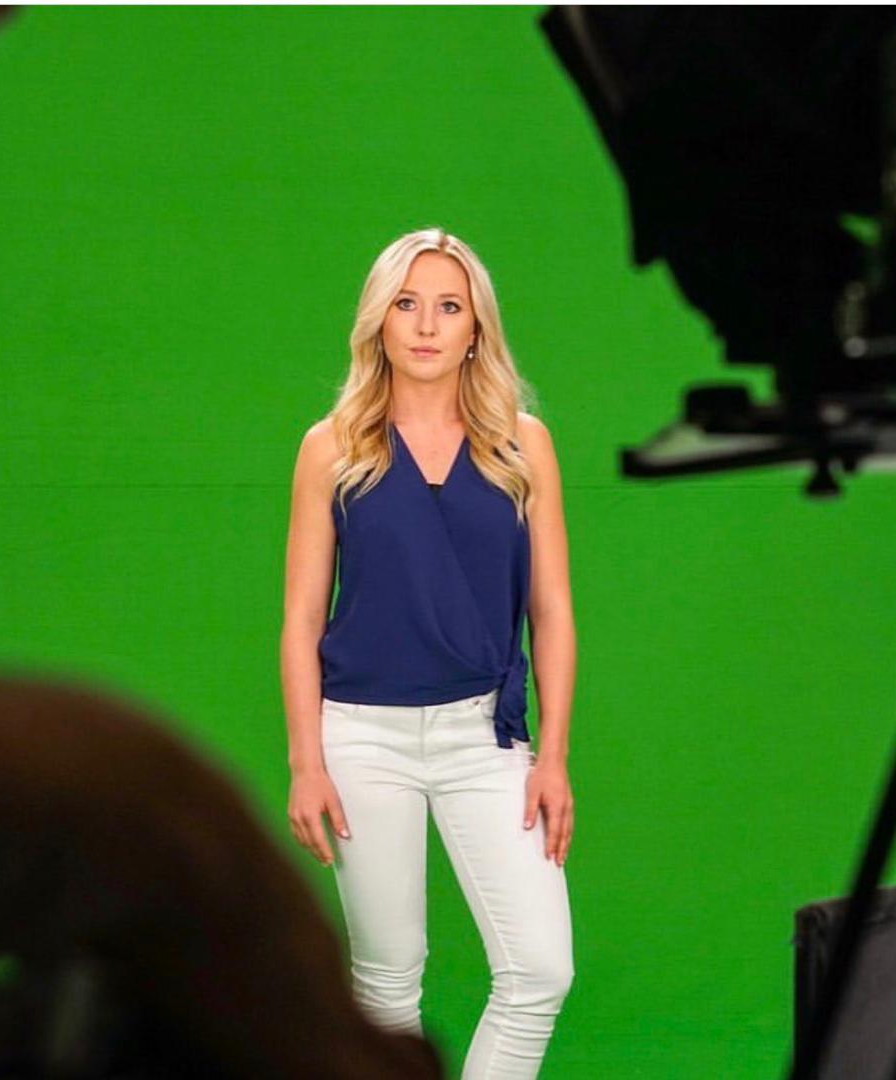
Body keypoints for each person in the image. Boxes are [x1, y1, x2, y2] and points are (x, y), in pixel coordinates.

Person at [280, 227, 576, 1078]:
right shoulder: (333, 446)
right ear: (378, 319)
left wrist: (553, 756)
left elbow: (552, 609)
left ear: (476, 328)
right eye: (406, 304)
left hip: (485, 737)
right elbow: (301, 616)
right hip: (361, 737)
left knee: (540, 971)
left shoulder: (523, 443)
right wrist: (307, 763)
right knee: (385, 983)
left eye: (449, 307)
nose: (425, 325)